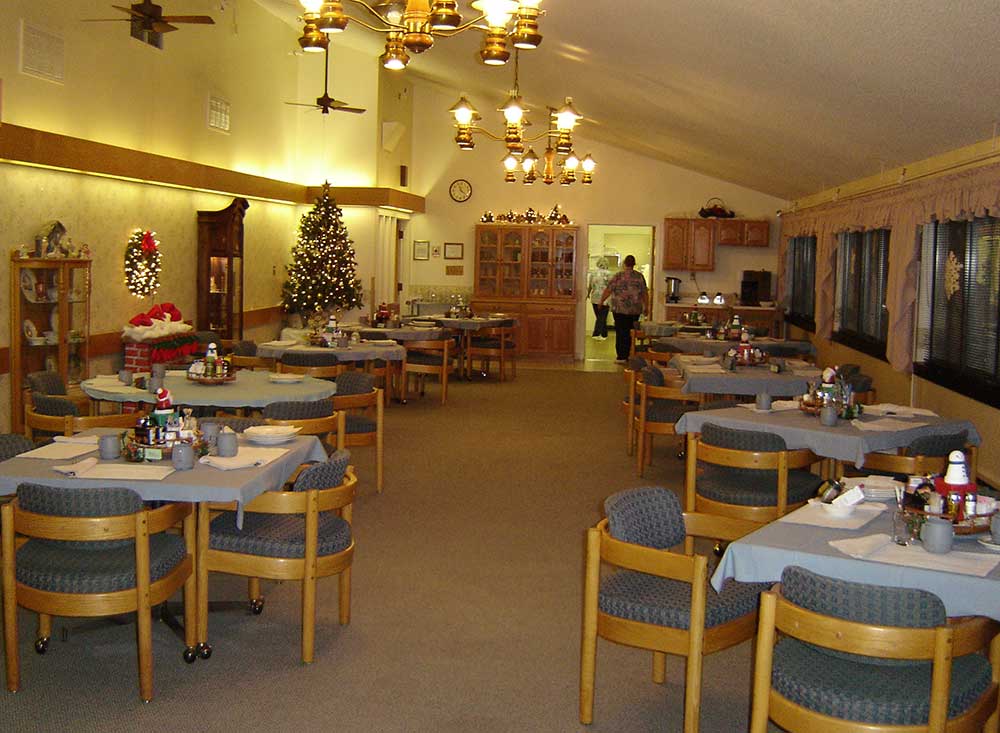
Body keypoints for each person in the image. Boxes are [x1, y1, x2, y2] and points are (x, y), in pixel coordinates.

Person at [599, 254, 648, 362]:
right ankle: (630, 354)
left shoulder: (618, 276)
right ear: (634, 264)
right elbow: (644, 293)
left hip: (619, 308)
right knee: (631, 332)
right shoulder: (639, 276)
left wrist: (601, 301)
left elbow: (609, 290)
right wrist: (646, 306)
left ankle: (621, 356)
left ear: (625, 264)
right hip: (634, 310)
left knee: (621, 332)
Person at [586, 257, 612, 339]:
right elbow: (611, 287)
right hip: (605, 298)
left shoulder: (593, 273)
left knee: (599, 316)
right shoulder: (609, 274)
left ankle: (604, 334)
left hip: (595, 297)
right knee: (602, 317)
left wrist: (588, 294)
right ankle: (597, 334)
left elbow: (590, 285)